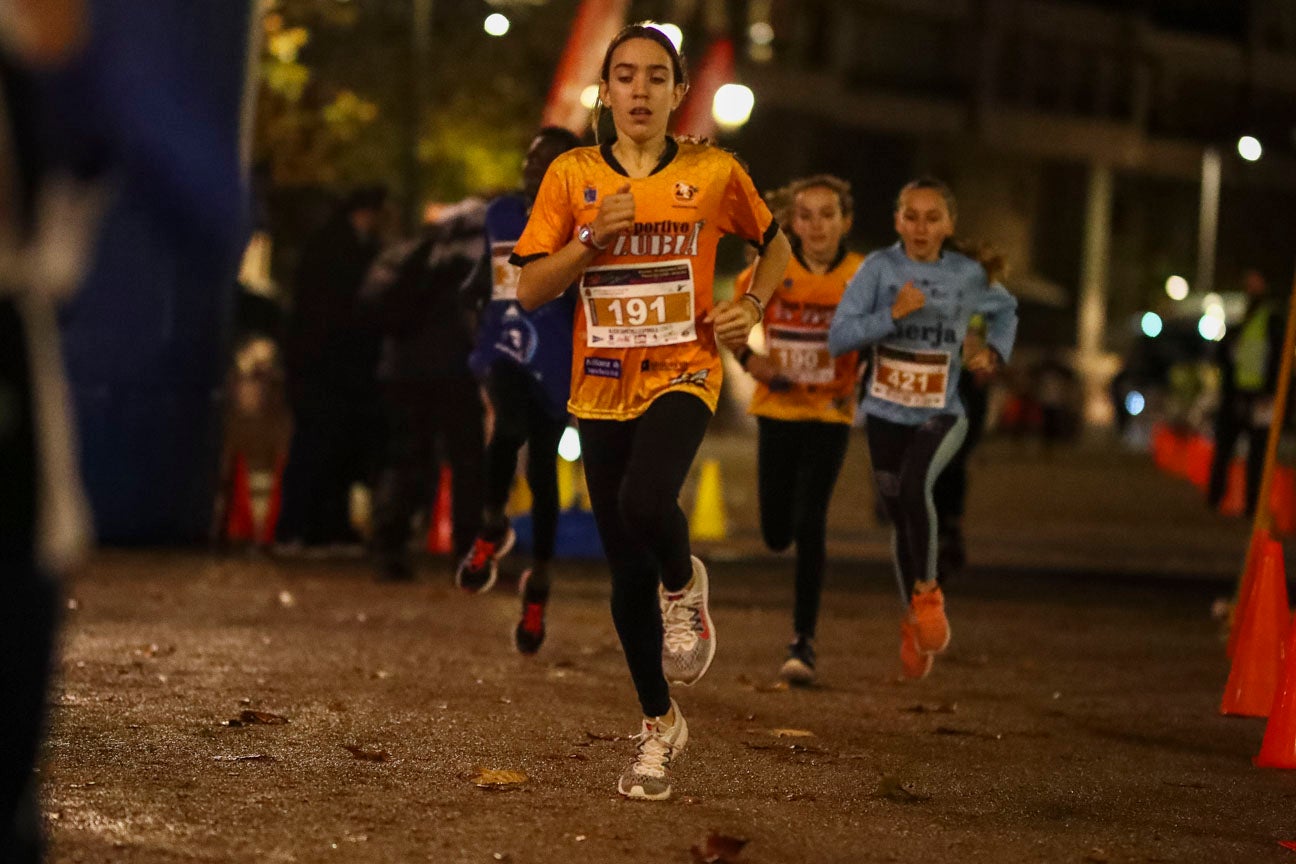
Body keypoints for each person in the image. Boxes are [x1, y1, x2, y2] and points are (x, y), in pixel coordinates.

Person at [511, 22, 790, 800]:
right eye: (625, 76)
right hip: (598, 381)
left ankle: (685, 581)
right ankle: (658, 726)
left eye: (655, 77)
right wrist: (589, 244)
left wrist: (751, 305)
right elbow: (531, 286)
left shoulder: (712, 170)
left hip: (684, 368)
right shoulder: (571, 175)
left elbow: (776, 245)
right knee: (620, 566)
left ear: (676, 91)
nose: (639, 90)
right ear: (606, 91)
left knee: (645, 501)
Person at [828, 178, 1017, 681]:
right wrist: (892, 315)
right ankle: (913, 614)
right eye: (911, 216)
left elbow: (1006, 311)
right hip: (887, 413)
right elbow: (839, 336)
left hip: (944, 410)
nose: (921, 227)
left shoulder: (967, 274)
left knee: (916, 489)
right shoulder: (878, 269)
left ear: (948, 226)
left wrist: (991, 352)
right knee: (900, 512)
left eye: (932, 218)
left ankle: (928, 593)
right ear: (897, 221)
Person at [730, 174, 863, 686]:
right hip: (778, 411)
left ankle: (802, 642)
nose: (817, 225)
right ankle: (782, 539)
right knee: (776, 532)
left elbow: (882, 328)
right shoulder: (771, 269)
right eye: (805, 215)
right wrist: (749, 359)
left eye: (827, 214)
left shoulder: (862, 274)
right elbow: (725, 320)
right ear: (792, 222)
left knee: (812, 522)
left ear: (845, 221)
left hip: (830, 415)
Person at [458, 126, 582, 654]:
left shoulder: (582, 224)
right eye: (530, 157)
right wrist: (482, 344)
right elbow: (476, 286)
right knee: (506, 427)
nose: (532, 167)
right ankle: (491, 527)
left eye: (546, 161)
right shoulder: (501, 215)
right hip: (505, 351)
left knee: (544, 474)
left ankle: (541, 583)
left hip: (553, 363)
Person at [363, 198, 490, 582]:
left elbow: (371, 306)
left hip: (404, 374)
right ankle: (468, 554)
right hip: (456, 373)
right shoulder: (471, 261)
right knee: (468, 465)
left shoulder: (407, 255)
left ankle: (389, 547)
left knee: (407, 461)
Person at [276, 186, 388, 553]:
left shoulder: (326, 246)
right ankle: (308, 526)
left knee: (321, 447)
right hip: (332, 369)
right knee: (320, 447)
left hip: (321, 368)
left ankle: (310, 526)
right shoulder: (347, 252)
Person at [1207, 269, 1284, 517]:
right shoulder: (1244, 321)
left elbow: (1276, 360)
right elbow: (1226, 355)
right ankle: (1217, 498)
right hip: (1238, 395)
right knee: (1227, 449)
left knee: (1256, 454)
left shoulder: (1270, 321)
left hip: (1259, 397)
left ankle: (1251, 505)